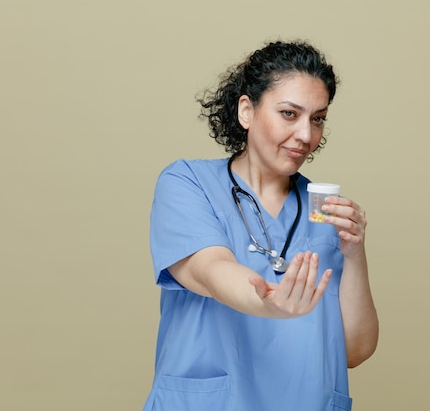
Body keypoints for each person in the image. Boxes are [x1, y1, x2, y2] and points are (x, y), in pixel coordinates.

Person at [143, 40, 379, 411]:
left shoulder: (324, 213)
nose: (306, 135)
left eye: (318, 119)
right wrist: (272, 305)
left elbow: (353, 350)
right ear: (247, 110)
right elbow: (210, 271)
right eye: (289, 113)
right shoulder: (188, 183)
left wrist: (355, 252)